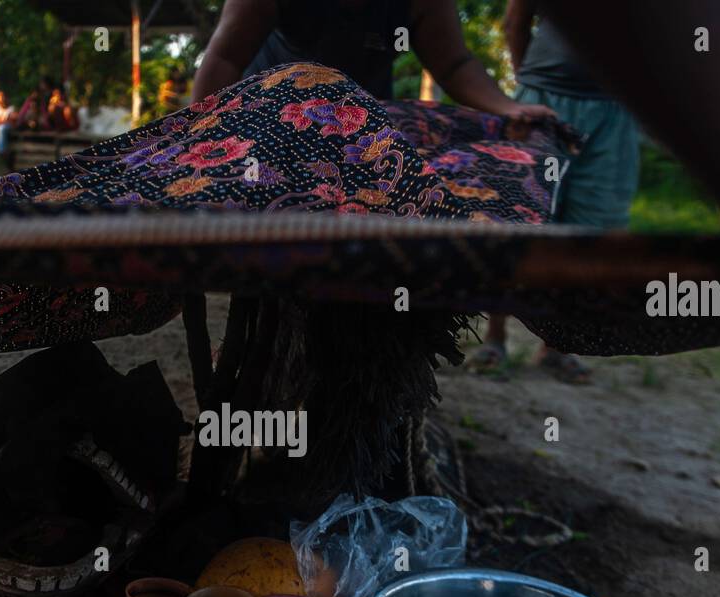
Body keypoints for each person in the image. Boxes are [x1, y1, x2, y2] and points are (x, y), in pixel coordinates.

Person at [474, 0, 642, 383]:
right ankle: (494, 338)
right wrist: (530, 88)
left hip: (614, 113)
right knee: (516, 213)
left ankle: (557, 347)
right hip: (541, 101)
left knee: (592, 230)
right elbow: (516, 21)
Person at [191, 0, 555, 122]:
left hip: (363, 125)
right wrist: (200, 131)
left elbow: (454, 65)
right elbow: (224, 59)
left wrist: (508, 108)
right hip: (270, 119)